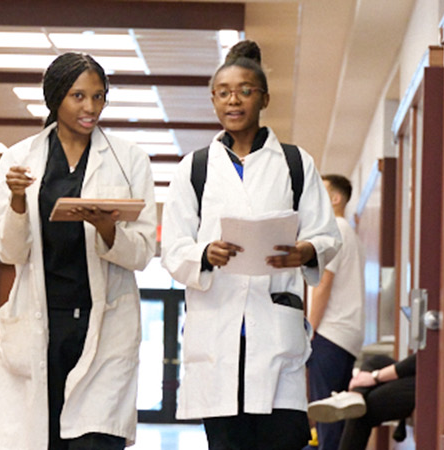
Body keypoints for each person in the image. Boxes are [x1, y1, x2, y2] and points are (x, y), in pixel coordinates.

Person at [160, 40, 342, 450]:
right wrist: (203, 253)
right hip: (218, 326)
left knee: (281, 439)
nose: (233, 100)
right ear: (213, 100)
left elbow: (328, 233)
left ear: (263, 97)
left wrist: (306, 251)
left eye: (245, 90)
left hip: (274, 326)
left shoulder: (295, 163)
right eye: (223, 92)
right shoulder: (196, 168)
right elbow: (172, 247)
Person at [0, 52, 158, 450]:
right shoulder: (19, 159)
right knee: (44, 438)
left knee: (95, 439)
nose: (90, 107)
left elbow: (144, 252)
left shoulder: (130, 161)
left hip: (105, 318)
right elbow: (9, 251)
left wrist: (109, 230)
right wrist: (19, 201)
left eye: (99, 96)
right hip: (43, 318)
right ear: (56, 97)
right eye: (78, 96)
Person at [305, 174, 366, 450]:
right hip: (345, 337)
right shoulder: (348, 231)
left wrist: (308, 331)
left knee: (327, 415)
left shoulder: (335, 230)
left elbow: (323, 284)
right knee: (337, 417)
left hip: (329, 334)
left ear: (335, 199)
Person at [310, 354, 416, 450]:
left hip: (430, 385)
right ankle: (355, 396)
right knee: (376, 361)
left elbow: (419, 359)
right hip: (421, 370)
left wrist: (376, 377)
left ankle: (354, 397)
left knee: (364, 406)